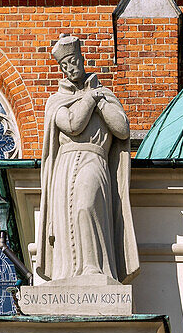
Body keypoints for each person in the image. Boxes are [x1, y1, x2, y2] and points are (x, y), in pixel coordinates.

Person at [35, 35, 139, 283]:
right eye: (64, 65)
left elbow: (122, 129)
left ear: (82, 59)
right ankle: (67, 273)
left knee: (86, 205)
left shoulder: (104, 95)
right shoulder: (57, 101)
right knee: (66, 219)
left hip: (94, 159)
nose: (70, 68)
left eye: (73, 61)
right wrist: (91, 99)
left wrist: (100, 101)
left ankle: (95, 268)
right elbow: (72, 125)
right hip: (66, 164)